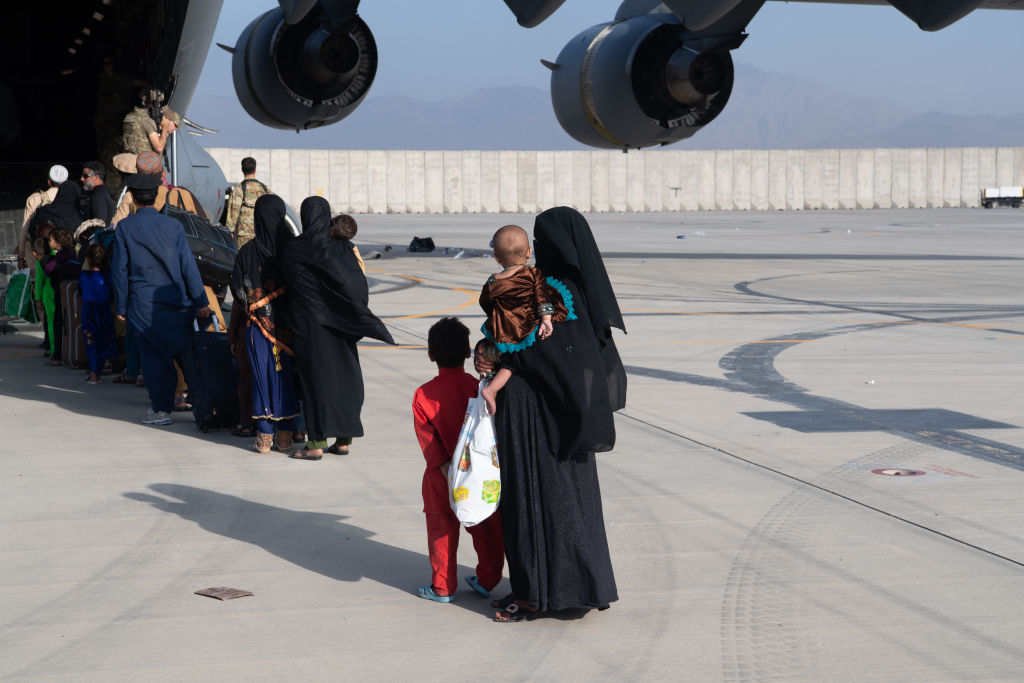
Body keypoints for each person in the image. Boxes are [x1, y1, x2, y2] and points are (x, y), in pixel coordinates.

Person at [481, 206, 627, 622]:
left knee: (531, 498)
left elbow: (527, 348)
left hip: (532, 410)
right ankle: (583, 584)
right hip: (570, 412)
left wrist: (491, 354)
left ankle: (534, 595)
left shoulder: (550, 287)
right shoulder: (577, 289)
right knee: (574, 501)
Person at [282, 196, 394, 460]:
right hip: (341, 325)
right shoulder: (342, 248)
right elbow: (357, 283)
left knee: (315, 384)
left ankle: (316, 444)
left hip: (310, 328)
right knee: (346, 380)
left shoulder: (294, 248)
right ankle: (343, 440)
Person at [412, 317, 504, 603]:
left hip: (441, 475)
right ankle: (487, 580)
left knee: (442, 530)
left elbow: (427, 438)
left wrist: (443, 466)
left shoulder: (423, 394)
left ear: (430, 355)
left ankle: (443, 587)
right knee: (486, 525)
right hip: (477, 473)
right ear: (468, 353)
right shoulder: (479, 388)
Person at [111, 171, 211, 426]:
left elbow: (120, 270)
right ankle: (205, 406)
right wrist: (201, 302)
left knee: (155, 360)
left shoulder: (125, 228)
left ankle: (161, 410)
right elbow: (188, 266)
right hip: (178, 304)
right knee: (186, 359)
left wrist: (121, 306)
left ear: (132, 197)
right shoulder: (173, 226)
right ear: (156, 196)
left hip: (143, 306)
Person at [229, 195, 300, 454]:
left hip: (257, 329)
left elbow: (237, 286)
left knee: (261, 379)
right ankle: (285, 436)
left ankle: (264, 437)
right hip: (288, 329)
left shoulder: (248, 251)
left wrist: (253, 305)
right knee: (287, 379)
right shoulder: (292, 248)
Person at [477, 224, 569, 415]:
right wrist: (546, 319)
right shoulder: (533, 274)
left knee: (507, 358)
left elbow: (484, 302)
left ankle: (491, 387)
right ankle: (491, 389)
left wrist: (496, 316)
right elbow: (542, 296)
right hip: (526, 328)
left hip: (503, 328)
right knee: (514, 362)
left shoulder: (493, 280)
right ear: (529, 252)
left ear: (497, 257)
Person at [43, 228, 81, 366]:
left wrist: (47, 261)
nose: (49, 242)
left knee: (58, 322)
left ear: (58, 242)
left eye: (51, 240)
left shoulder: (61, 255)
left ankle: (57, 356)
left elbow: (48, 268)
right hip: (73, 292)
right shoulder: (72, 252)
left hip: (62, 291)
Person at [79, 243, 116, 384]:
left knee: (91, 342)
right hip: (105, 311)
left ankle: (94, 374)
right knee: (105, 339)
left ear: (88, 259)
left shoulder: (84, 276)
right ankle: (104, 365)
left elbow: (81, 289)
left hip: (89, 312)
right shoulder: (108, 277)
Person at [15, 165, 64, 269]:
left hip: (37, 251)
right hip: (61, 254)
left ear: (49, 182)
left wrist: (21, 257)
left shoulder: (35, 199)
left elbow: (25, 229)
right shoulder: (71, 201)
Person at [224, 157, 270, 248]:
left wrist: (230, 230)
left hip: (244, 235)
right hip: (262, 234)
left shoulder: (239, 188)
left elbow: (234, 210)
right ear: (255, 170)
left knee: (244, 260)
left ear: (242, 170)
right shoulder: (265, 189)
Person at [121, 89, 177, 156]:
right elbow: (159, 148)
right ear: (152, 103)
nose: (159, 106)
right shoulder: (147, 121)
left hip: (129, 157)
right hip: (142, 162)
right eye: (158, 103)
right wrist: (165, 127)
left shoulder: (130, 115)